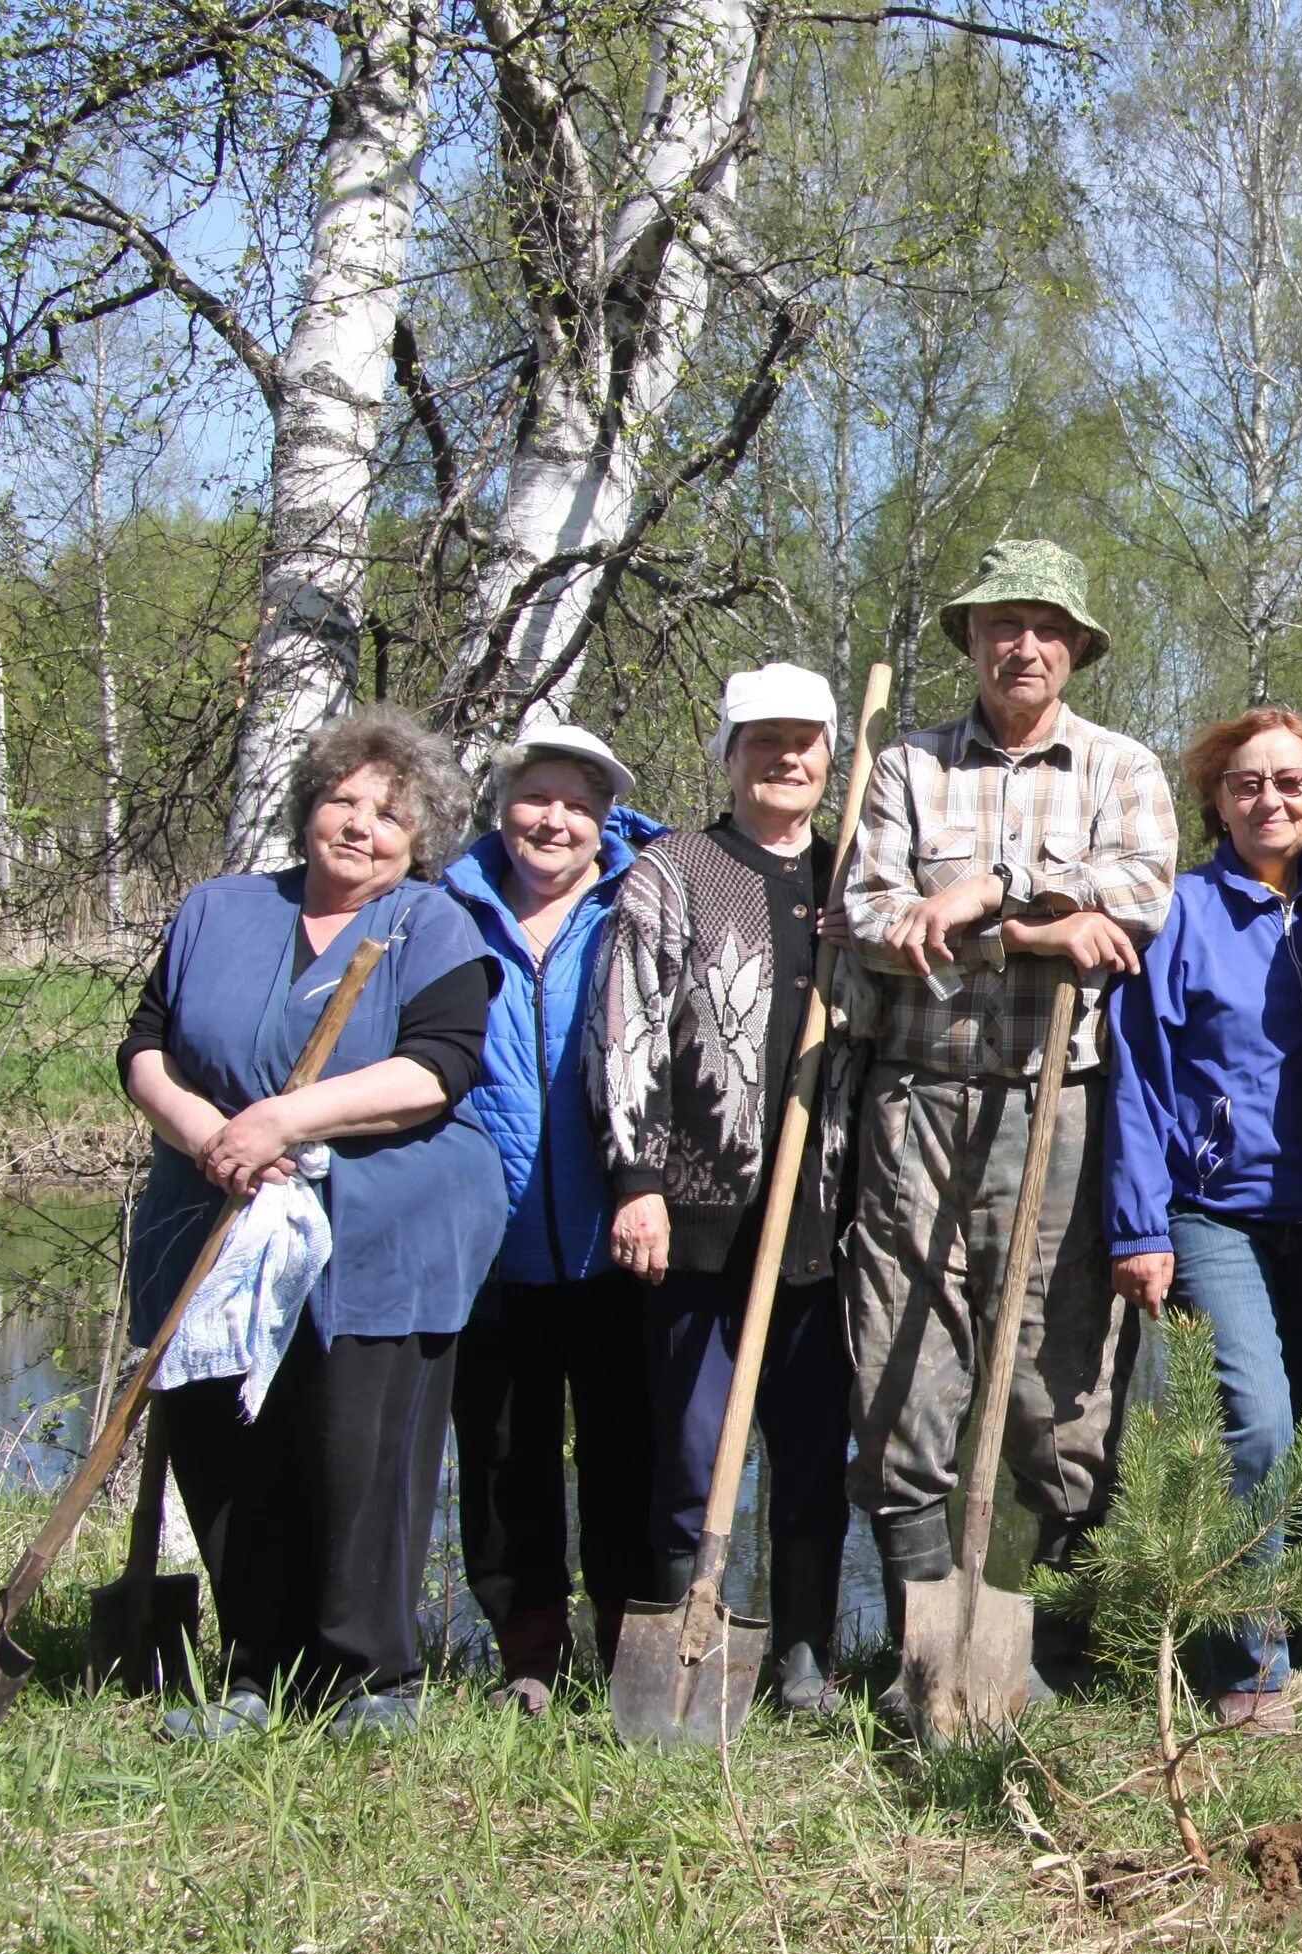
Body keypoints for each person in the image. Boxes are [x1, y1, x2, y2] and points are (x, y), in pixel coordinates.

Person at [121, 706, 507, 1740]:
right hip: (216, 1212)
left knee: (355, 1445)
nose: (361, 825)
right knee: (226, 1439)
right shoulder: (219, 909)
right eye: (344, 798)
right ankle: (257, 1667)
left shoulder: (433, 925)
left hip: (379, 1220)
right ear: (309, 806)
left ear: (418, 838)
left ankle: (370, 1674)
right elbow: (146, 1044)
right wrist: (212, 1134)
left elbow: (438, 1067)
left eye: (390, 814)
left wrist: (284, 1118)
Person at [842, 540, 1176, 1716]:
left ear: (1076, 646)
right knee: (903, 1359)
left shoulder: (1121, 767)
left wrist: (985, 898)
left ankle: (1055, 1646)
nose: (1019, 644)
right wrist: (1028, 919)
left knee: (1056, 1374)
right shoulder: (908, 768)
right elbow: (872, 914)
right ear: (972, 641)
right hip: (918, 1095)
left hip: (1057, 1101)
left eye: (1043, 625)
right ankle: (921, 1647)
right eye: (998, 624)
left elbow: (1136, 898)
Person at [604, 663, 857, 1714]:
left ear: (832, 757)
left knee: (812, 1449)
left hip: (826, 1222)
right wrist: (638, 1178)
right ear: (729, 750)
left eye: (805, 741)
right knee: (698, 1445)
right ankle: (686, 1633)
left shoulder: (857, 876)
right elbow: (629, 1031)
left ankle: (803, 1649)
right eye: (763, 740)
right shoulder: (674, 870)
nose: (785, 758)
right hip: (700, 1217)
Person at [1103, 705, 1302, 1732]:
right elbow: (1137, 1076)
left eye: (1291, 781)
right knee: (1257, 1421)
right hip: (1215, 1210)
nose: (1271, 800)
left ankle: (1244, 1602)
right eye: (1247, 783)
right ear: (1216, 799)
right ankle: (1256, 1657)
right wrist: (1138, 1225)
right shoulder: (1183, 914)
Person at [442, 723, 667, 1710]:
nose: (555, 819)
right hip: (485, 1241)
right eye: (537, 797)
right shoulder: (444, 907)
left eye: (579, 804)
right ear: (503, 806)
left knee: (627, 1449)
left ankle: (627, 1642)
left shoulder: (641, 897)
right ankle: (528, 1650)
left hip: (615, 1235)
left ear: (606, 820)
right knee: (502, 1456)